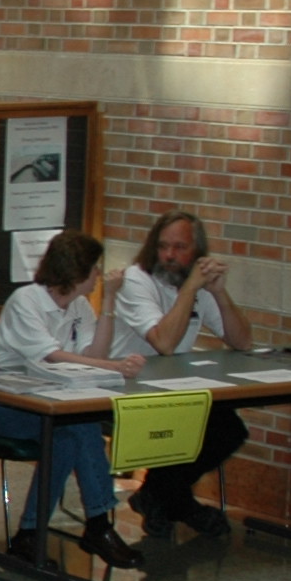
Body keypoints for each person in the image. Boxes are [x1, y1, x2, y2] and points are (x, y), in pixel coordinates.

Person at [0, 229, 145, 570]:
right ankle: (98, 525)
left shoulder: (79, 305)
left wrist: (109, 303)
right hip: (6, 405)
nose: (99, 274)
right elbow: (51, 356)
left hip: (53, 403)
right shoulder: (26, 300)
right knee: (79, 427)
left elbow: (94, 355)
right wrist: (114, 367)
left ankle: (31, 534)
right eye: (95, 268)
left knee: (68, 438)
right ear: (76, 271)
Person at [108, 210, 251, 539]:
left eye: (179, 247)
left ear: (197, 252)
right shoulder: (136, 281)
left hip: (174, 388)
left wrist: (219, 293)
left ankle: (157, 494)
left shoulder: (197, 284)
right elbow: (164, 343)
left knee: (229, 429)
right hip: (127, 387)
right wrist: (190, 288)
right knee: (191, 427)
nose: (169, 255)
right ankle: (178, 503)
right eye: (163, 246)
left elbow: (243, 341)